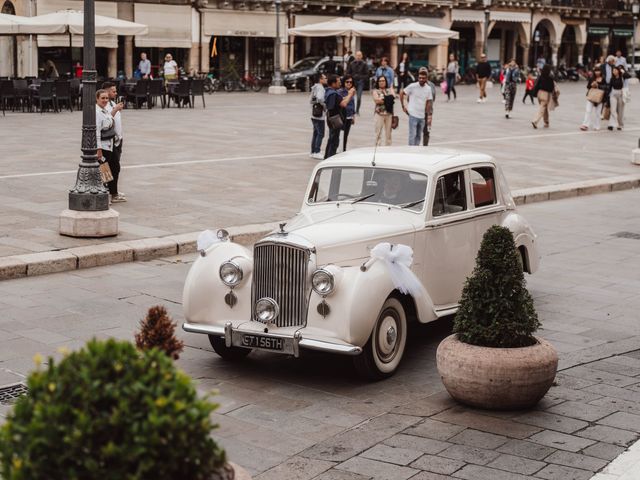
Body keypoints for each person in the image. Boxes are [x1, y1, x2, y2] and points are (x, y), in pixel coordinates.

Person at [101, 82, 126, 202]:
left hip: (116, 140)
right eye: (113, 91)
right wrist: (115, 110)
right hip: (107, 142)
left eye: (116, 91)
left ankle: (113, 192)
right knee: (108, 168)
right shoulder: (103, 105)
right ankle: (108, 192)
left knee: (114, 167)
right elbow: (105, 121)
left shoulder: (112, 103)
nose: (115, 93)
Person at [324, 75, 355, 159]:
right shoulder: (334, 93)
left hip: (330, 118)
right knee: (334, 141)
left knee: (330, 140)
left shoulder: (328, 91)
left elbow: (340, 100)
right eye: (338, 82)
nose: (340, 83)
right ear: (333, 83)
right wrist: (350, 94)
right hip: (335, 119)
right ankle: (330, 159)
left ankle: (326, 157)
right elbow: (343, 104)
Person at [400, 69, 433, 146]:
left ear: (426, 78)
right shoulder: (413, 86)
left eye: (423, 78)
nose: (421, 79)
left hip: (422, 116)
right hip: (413, 115)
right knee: (412, 135)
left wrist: (428, 115)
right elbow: (402, 93)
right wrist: (403, 106)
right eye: (420, 78)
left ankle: (416, 151)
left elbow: (429, 101)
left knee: (418, 136)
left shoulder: (428, 88)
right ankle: (411, 152)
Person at [372, 75, 396, 146]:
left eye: (383, 81)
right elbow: (377, 101)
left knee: (389, 134)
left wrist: (384, 99)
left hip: (389, 114)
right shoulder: (375, 91)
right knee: (378, 134)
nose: (382, 82)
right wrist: (388, 99)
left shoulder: (389, 90)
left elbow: (394, 97)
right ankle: (377, 149)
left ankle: (388, 149)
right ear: (378, 82)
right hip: (379, 114)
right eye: (380, 81)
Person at [531, 64, 555, 129]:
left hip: (539, 93)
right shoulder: (550, 77)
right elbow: (551, 88)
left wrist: (534, 94)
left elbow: (536, 85)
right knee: (542, 108)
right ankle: (535, 121)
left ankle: (546, 122)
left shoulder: (540, 76)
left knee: (544, 108)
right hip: (546, 94)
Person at [309, 73, 327, 159]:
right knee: (321, 133)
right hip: (320, 115)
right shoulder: (320, 88)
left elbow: (311, 100)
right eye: (324, 78)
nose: (326, 79)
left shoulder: (314, 87)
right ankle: (317, 151)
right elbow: (320, 98)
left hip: (313, 114)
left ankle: (312, 151)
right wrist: (324, 105)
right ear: (320, 79)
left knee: (315, 133)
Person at [346, 51, 369, 115]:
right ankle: (350, 109)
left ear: (361, 56)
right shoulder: (351, 63)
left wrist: (360, 77)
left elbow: (367, 75)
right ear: (355, 56)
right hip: (352, 82)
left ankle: (357, 110)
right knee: (350, 96)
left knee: (359, 97)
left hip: (360, 82)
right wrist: (350, 78)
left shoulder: (364, 64)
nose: (358, 57)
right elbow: (348, 73)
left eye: (360, 55)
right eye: (357, 55)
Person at [338, 75, 356, 151]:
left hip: (349, 116)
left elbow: (353, 104)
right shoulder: (340, 91)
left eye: (351, 82)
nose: (349, 83)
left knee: (346, 134)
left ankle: (344, 148)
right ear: (343, 82)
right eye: (347, 82)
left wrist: (353, 116)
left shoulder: (352, 91)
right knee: (341, 134)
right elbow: (341, 101)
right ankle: (339, 149)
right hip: (342, 116)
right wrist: (349, 94)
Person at [608, 66, 628, 131]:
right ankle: (613, 123)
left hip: (621, 94)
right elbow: (609, 88)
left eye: (615, 70)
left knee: (620, 111)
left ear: (618, 71)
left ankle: (620, 125)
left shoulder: (622, 77)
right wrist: (607, 97)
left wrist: (623, 71)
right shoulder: (612, 79)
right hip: (613, 94)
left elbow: (629, 76)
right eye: (613, 71)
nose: (614, 72)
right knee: (613, 110)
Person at [422, 67, 437, 146]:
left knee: (426, 131)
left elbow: (433, 98)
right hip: (418, 111)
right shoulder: (415, 85)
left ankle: (425, 145)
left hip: (428, 112)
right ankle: (414, 147)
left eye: (425, 73)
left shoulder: (432, 85)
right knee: (416, 131)